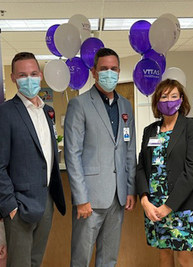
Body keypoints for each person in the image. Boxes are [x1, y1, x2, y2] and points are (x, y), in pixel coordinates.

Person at [0, 52, 66, 267]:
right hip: (19, 206)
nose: (29, 79)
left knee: (35, 262)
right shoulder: (4, 113)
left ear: (40, 75)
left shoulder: (47, 111)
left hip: (46, 202)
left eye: (33, 73)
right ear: (13, 77)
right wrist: (10, 206)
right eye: (22, 75)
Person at [64, 47, 137, 267]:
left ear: (119, 70)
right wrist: (81, 198)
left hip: (118, 196)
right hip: (90, 199)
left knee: (109, 258)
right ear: (94, 71)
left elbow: (129, 149)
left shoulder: (125, 106)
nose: (109, 73)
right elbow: (72, 153)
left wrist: (130, 188)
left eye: (114, 69)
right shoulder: (79, 104)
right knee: (81, 257)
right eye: (104, 69)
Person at [136, 79, 193, 267]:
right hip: (154, 207)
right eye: (164, 96)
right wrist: (144, 200)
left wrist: (169, 206)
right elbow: (141, 166)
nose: (169, 101)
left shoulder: (192, 128)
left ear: (182, 100)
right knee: (164, 254)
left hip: (182, 205)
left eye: (174, 96)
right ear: (157, 101)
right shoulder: (150, 131)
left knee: (184, 257)